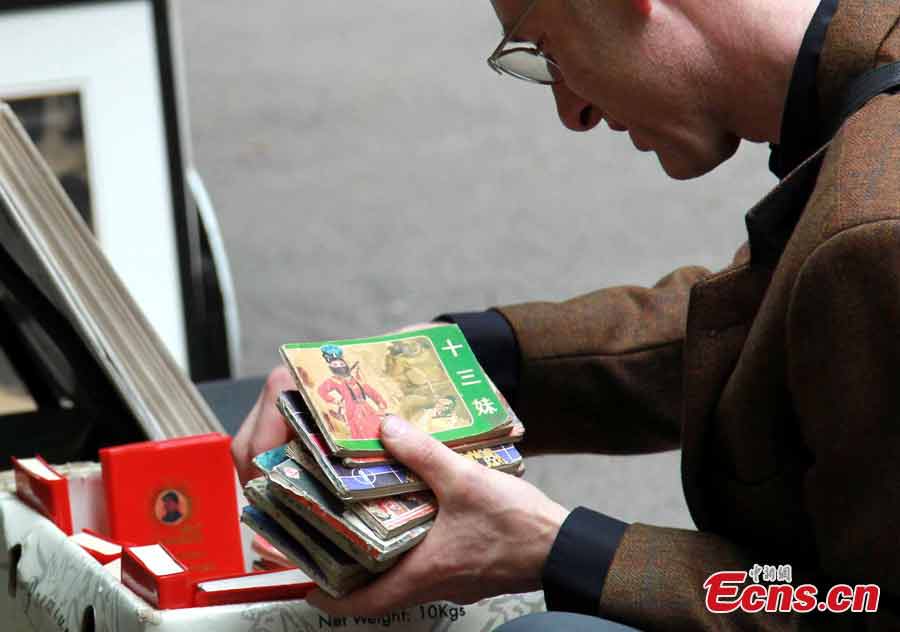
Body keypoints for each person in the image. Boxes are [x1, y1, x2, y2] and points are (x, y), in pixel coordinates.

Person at [232, 0, 900, 628]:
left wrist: (556, 547)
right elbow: (785, 317)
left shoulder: (873, 230)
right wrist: (447, 363)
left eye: (548, 48)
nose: (572, 111)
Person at [316, 344, 388, 439]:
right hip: (351, 409)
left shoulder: (357, 379)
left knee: (375, 426)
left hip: (366, 408)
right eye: (335, 365)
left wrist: (380, 404)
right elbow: (321, 390)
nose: (339, 366)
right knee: (358, 429)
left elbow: (371, 391)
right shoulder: (333, 381)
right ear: (332, 368)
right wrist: (335, 401)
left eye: (341, 364)